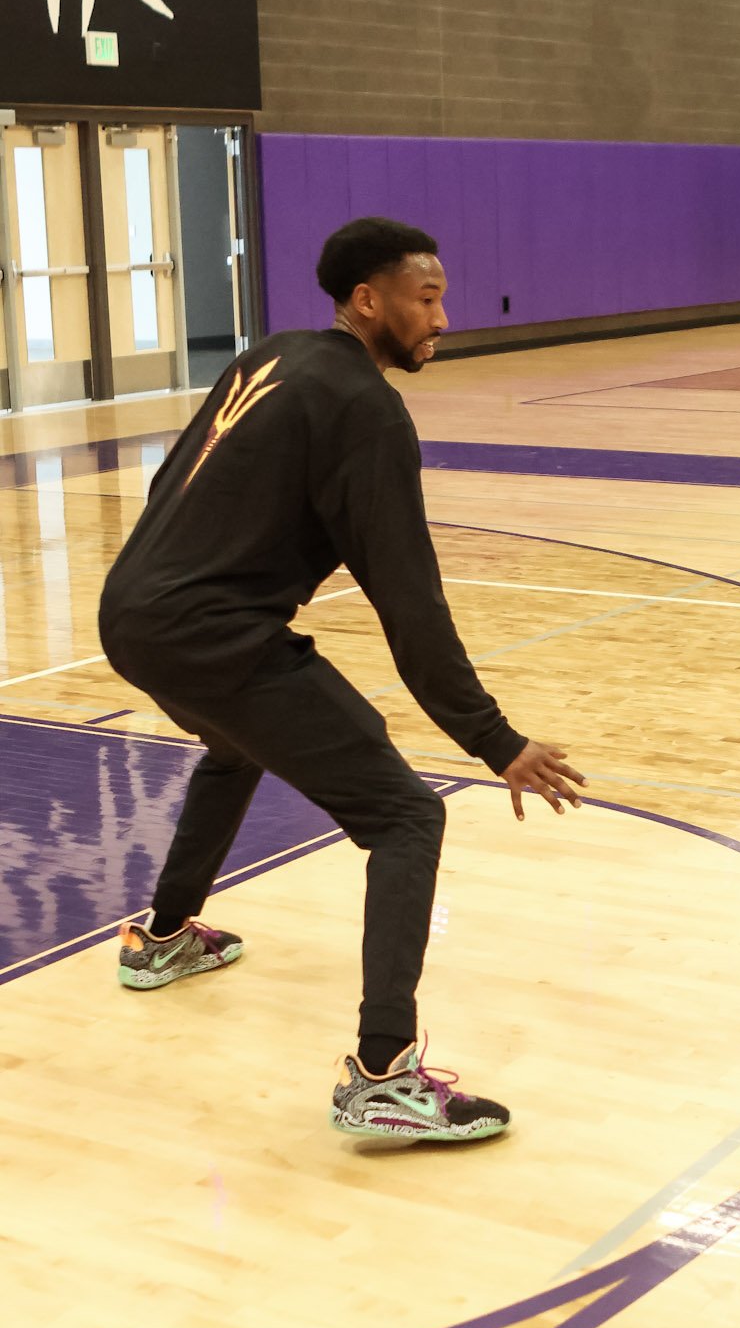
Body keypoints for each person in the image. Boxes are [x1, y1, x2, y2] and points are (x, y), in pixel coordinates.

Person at [99, 217, 586, 1144]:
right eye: (426, 297)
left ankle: (163, 936)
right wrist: (494, 739)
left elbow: (171, 481)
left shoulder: (270, 357)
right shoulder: (366, 409)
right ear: (369, 302)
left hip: (132, 614)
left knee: (237, 743)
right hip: (212, 633)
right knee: (407, 815)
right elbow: (410, 601)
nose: (443, 315)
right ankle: (381, 1076)